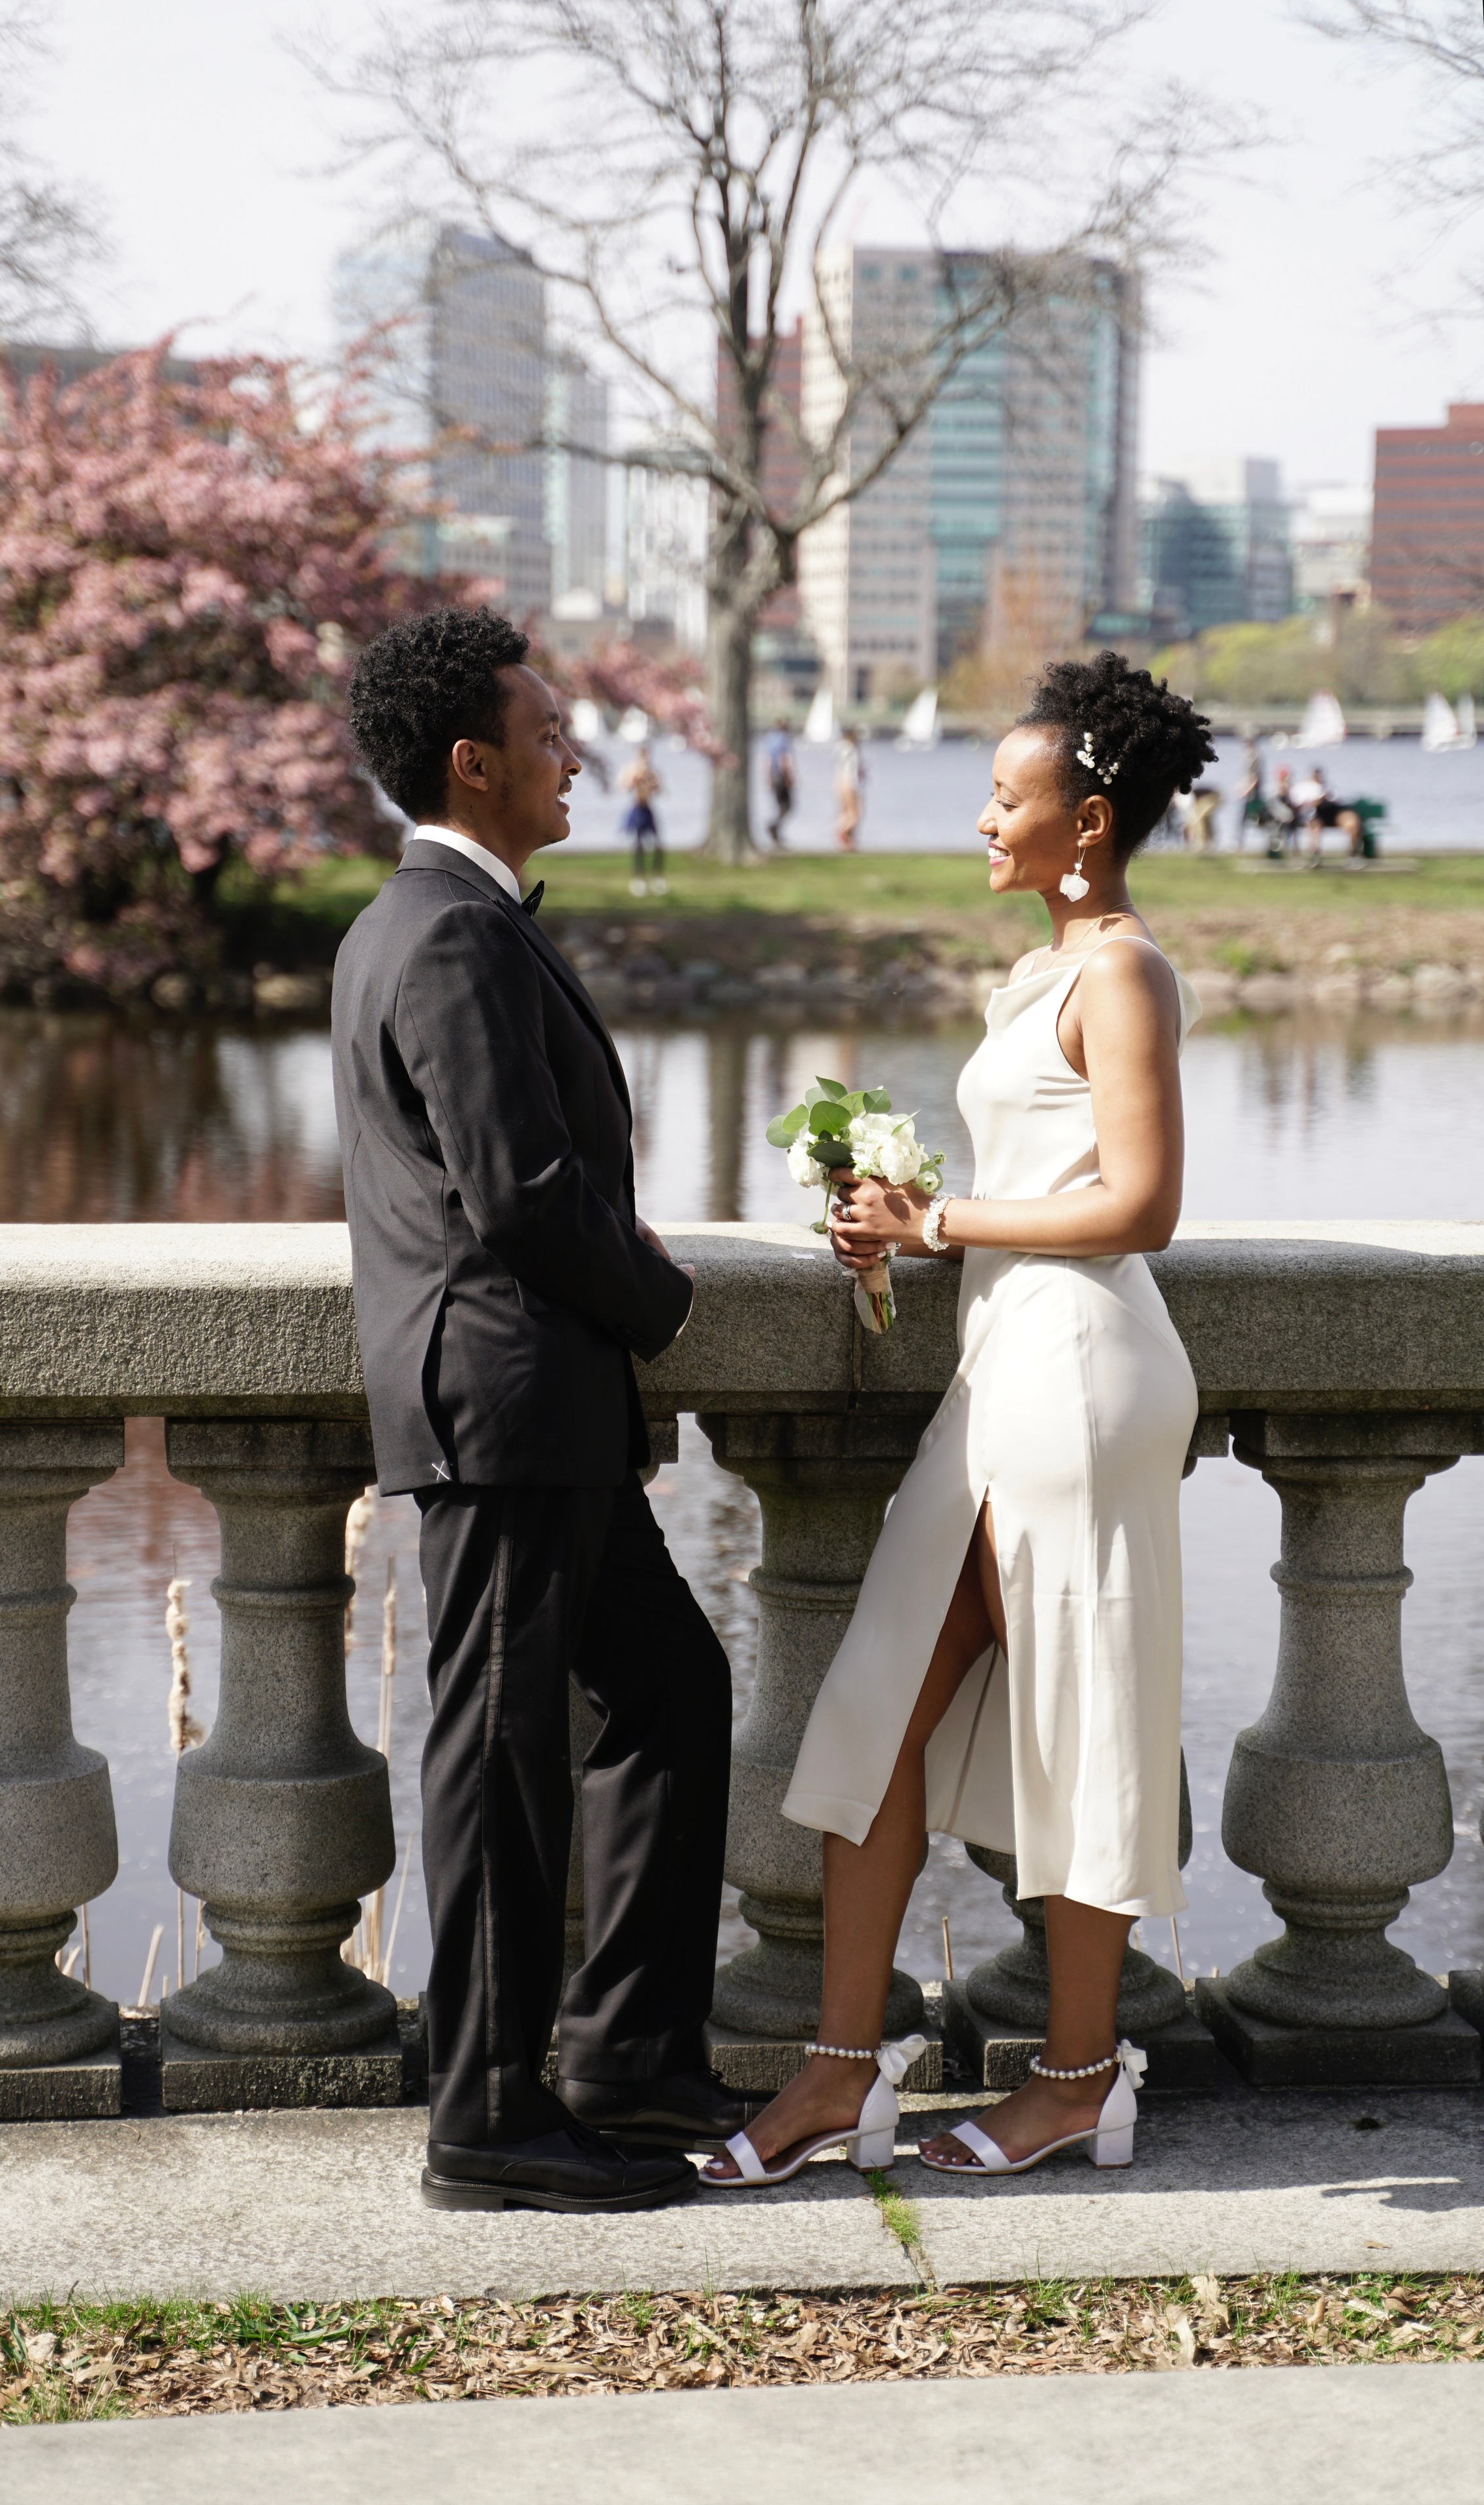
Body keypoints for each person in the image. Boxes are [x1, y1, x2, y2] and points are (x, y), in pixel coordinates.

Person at [702, 650, 1215, 2190]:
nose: (983, 817)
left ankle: (1071, 2078)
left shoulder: (1118, 969)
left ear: (1091, 820)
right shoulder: (1035, 974)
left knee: (1072, 1726)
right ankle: (838, 2077)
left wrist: (943, 1223)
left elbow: (1143, 1205)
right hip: (1003, 1376)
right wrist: (905, 1228)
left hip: (1077, 1381)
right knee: (870, 1713)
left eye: (1008, 797)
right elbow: (1035, 1196)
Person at [333, 606, 743, 2215]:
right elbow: (515, 1192)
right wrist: (664, 1300)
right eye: (553, 731)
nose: (579, 752)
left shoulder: (449, 919)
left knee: (666, 1687)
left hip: (533, 1404)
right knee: (497, 1757)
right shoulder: (442, 929)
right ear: (473, 761)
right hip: (495, 1404)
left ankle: (625, 2062)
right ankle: (485, 2119)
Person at [619, 743, 666, 895]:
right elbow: (625, 787)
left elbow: (659, 790)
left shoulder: (652, 772)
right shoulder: (633, 770)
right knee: (638, 846)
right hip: (637, 810)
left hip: (648, 810)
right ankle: (638, 879)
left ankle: (656, 878)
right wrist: (636, 777)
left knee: (658, 846)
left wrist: (653, 781)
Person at [765, 719, 797, 847]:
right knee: (788, 806)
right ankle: (774, 826)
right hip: (781, 777)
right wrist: (789, 778)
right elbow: (784, 760)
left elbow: (766, 761)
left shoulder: (770, 739)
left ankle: (776, 831)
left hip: (773, 776)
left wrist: (768, 778)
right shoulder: (784, 739)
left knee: (781, 806)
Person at [834, 724, 865, 852]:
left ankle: (847, 840)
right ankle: (842, 833)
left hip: (839, 781)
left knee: (845, 811)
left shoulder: (839, 748)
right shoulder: (852, 749)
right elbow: (854, 769)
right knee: (855, 814)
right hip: (850, 783)